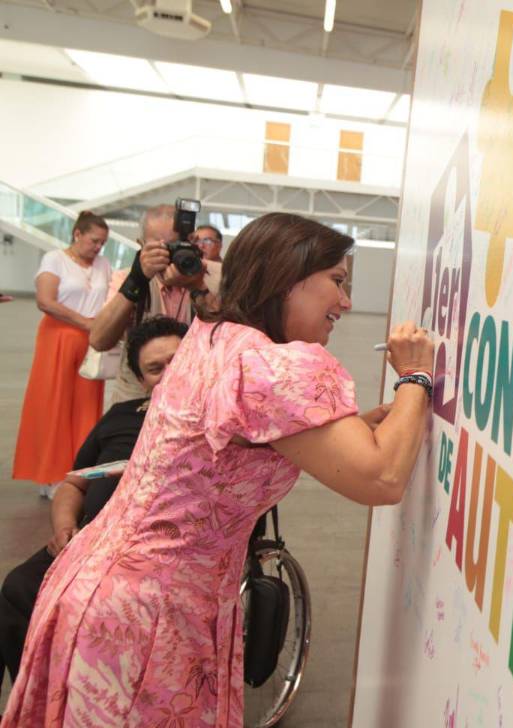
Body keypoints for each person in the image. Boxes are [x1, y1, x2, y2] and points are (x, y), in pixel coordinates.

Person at [3, 212, 433, 726]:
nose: (345, 302)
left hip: (101, 586)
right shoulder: (276, 367)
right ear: (285, 278)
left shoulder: (214, 339)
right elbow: (381, 478)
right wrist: (416, 375)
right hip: (151, 613)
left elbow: (232, 444)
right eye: (337, 282)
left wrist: (348, 429)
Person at [0, 316, 188, 690]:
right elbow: (74, 483)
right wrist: (64, 528)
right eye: (155, 368)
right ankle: (36, 695)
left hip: (152, 552)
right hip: (87, 541)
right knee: (18, 587)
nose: (169, 373)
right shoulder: (121, 416)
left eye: (177, 361)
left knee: (82, 603)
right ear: (141, 379)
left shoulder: (213, 423)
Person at [12, 211, 112, 494]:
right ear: (77, 234)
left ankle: (79, 473)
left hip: (93, 341)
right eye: (94, 240)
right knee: (54, 404)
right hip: (58, 338)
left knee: (86, 408)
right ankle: (50, 474)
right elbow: (45, 301)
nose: (98, 247)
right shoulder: (54, 259)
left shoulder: (103, 264)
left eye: (102, 243)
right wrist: (85, 322)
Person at [90, 204, 221, 404]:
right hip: (137, 400)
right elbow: (99, 340)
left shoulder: (215, 275)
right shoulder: (127, 278)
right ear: (141, 244)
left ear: (192, 242)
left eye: (177, 245)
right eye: (160, 247)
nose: (169, 254)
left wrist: (197, 286)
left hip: (197, 399)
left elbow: (227, 336)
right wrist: (137, 280)